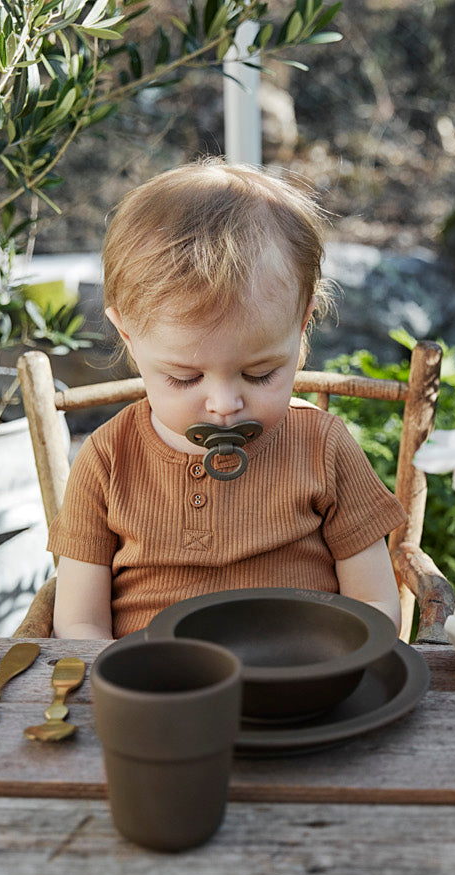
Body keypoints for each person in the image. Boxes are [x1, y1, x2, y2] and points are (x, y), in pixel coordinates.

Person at [47, 160, 406, 639]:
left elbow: (375, 601)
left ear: (302, 326)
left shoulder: (324, 447)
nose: (223, 404)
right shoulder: (109, 458)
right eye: (184, 377)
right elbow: (79, 621)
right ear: (128, 336)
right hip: (157, 691)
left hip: (298, 684)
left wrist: (337, 665)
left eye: (260, 374)